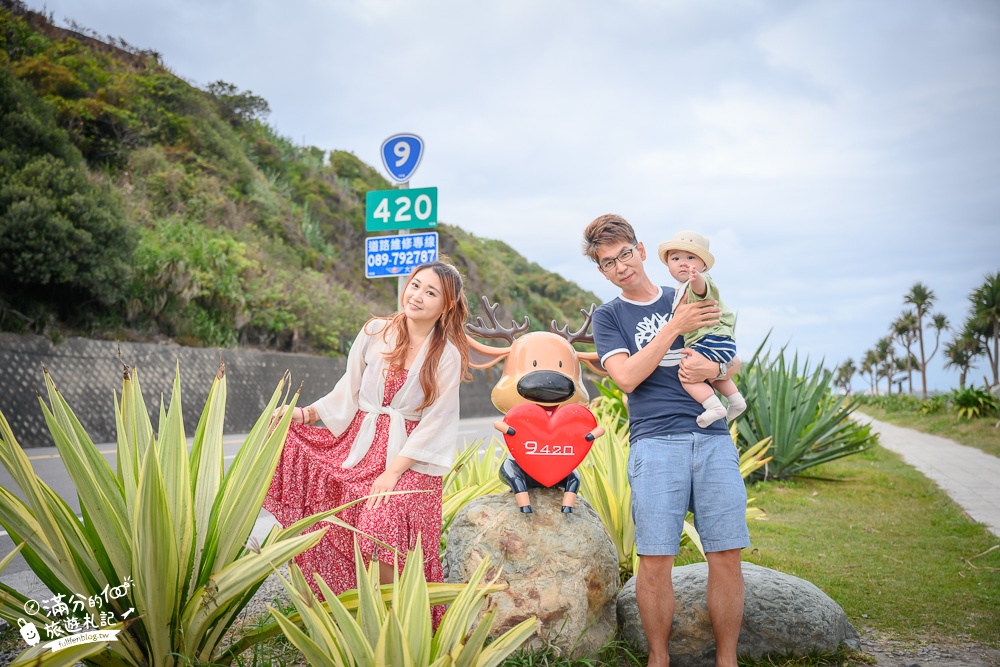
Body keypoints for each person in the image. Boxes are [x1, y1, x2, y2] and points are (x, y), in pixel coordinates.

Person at [582, 214, 748, 667]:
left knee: (726, 553)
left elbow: (728, 355)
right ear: (602, 271)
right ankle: (659, 659)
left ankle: (727, 660)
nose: (620, 267)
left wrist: (714, 370)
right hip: (655, 442)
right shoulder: (610, 316)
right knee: (655, 559)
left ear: (639, 248)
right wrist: (673, 328)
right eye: (608, 262)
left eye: (624, 254)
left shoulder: (690, 291)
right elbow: (627, 378)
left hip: (712, 437)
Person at [263, 260, 471, 616]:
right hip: (358, 447)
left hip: (409, 459)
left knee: (381, 528)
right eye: (415, 285)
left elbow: (436, 421)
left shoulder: (446, 355)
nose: (417, 296)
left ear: (447, 305)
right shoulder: (377, 332)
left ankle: (395, 620)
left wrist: (393, 472)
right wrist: (304, 414)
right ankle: (342, 614)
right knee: (323, 513)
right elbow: (349, 388)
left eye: (431, 292)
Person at [658, 230, 746, 427]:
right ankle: (736, 401)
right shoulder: (678, 290)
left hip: (710, 338)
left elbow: (701, 287)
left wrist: (695, 277)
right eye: (676, 258)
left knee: (688, 374)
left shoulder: (699, 282)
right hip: (719, 340)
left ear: (703, 265)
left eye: (690, 257)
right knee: (706, 372)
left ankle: (714, 406)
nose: (683, 262)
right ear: (668, 265)